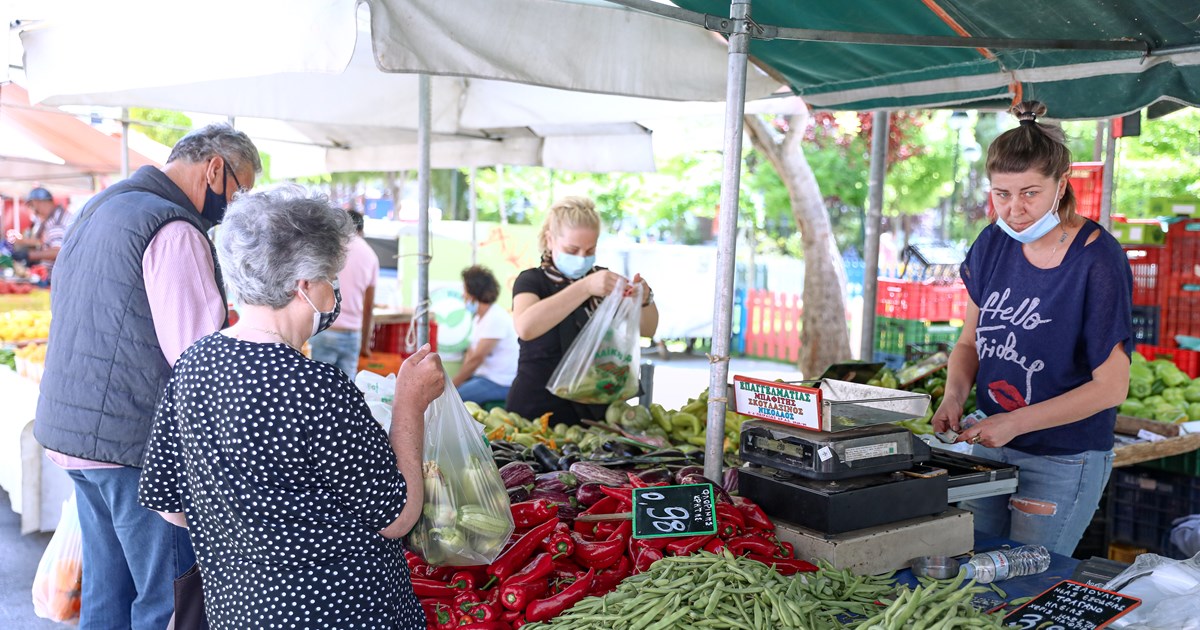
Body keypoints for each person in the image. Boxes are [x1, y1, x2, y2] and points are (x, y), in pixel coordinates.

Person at [138, 185, 441, 629]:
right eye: (330, 277)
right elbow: (397, 518)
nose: (333, 288)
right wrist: (409, 406)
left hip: (238, 611)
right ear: (304, 286)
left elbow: (171, 505)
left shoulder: (194, 364)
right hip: (341, 611)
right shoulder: (315, 387)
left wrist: (254, 537)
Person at [33, 123, 260, 629]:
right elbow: (197, 355)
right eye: (239, 191)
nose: (236, 205)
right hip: (135, 444)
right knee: (166, 601)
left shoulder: (101, 207)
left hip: (76, 435)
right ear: (215, 169)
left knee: (106, 596)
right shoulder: (174, 229)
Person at [931, 101, 1133, 556]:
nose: (1014, 209)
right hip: (987, 443)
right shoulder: (991, 243)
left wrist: (1015, 423)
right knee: (974, 574)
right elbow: (969, 341)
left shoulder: (1097, 260)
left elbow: (1111, 387)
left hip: (1064, 458)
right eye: (1001, 193)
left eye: (1029, 193)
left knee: (1030, 584)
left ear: (1061, 185)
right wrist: (953, 396)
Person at [507, 196, 659, 424]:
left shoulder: (605, 281)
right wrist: (586, 287)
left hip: (599, 415)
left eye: (590, 250)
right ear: (550, 240)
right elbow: (526, 327)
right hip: (538, 413)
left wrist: (644, 299)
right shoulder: (532, 281)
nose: (581, 258)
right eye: (572, 249)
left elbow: (647, 329)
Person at [310, 209, 379, 378]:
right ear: (361, 230)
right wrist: (365, 344)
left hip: (324, 328)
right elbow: (368, 306)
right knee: (347, 390)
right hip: (352, 333)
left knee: (318, 386)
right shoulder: (371, 256)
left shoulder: (329, 247)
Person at [454, 265, 519, 404]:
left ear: (474, 292)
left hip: (501, 383)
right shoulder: (479, 318)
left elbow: (476, 359)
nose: (462, 295)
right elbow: (471, 355)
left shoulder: (495, 317)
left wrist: (450, 387)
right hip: (485, 378)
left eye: (465, 290)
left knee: (452, 399)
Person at [11, 187, 73, 282]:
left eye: (32, 205)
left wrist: (28, 255)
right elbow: (45, 241)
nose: (33, 210)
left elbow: (57, 252)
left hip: (59, 278)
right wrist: (22, 242)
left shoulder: (56, 222)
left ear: (39, 202)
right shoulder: (57, 215)